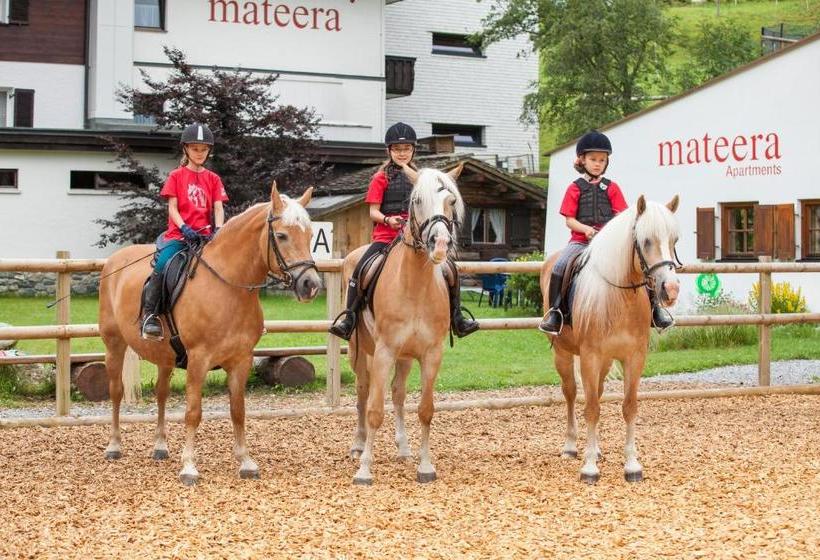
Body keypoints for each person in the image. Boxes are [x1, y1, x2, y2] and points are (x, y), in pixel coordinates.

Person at [328, 122, 479, 341]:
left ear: (413, 150)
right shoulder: (380, 178)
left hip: (417, 239)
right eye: (397, 149)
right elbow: (373, 212)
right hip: (386, 238)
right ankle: (349, 318)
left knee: (450, 270)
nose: (402, 153)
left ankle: (458, 318)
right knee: (361, 270)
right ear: (389, 151)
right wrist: (388, 220)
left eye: (407, 149)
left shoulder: (423, 180)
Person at [538, 130, 674, 334]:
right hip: (580, 243)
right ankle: (555, 313)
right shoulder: (574, 188)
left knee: (641, 268)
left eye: (602, 160)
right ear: (582, 160)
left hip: (610, 246)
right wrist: (586, 230)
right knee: (560, 266)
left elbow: (623, 216)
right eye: (593, 159)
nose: (597, 164)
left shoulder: (612, 188)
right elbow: (569, 220)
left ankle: (655, 310)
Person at [140, 122, 228, 340]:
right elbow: (172, 208)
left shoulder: (213, 179)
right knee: (162, 264)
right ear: (186, 149)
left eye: (204, 149)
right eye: (195, 149)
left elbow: (218, 207)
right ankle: (150, 316)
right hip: (180, 236)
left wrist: (218, 229)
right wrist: (184, 227)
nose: (200, 153)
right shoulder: (176, 176)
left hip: (205, 237)